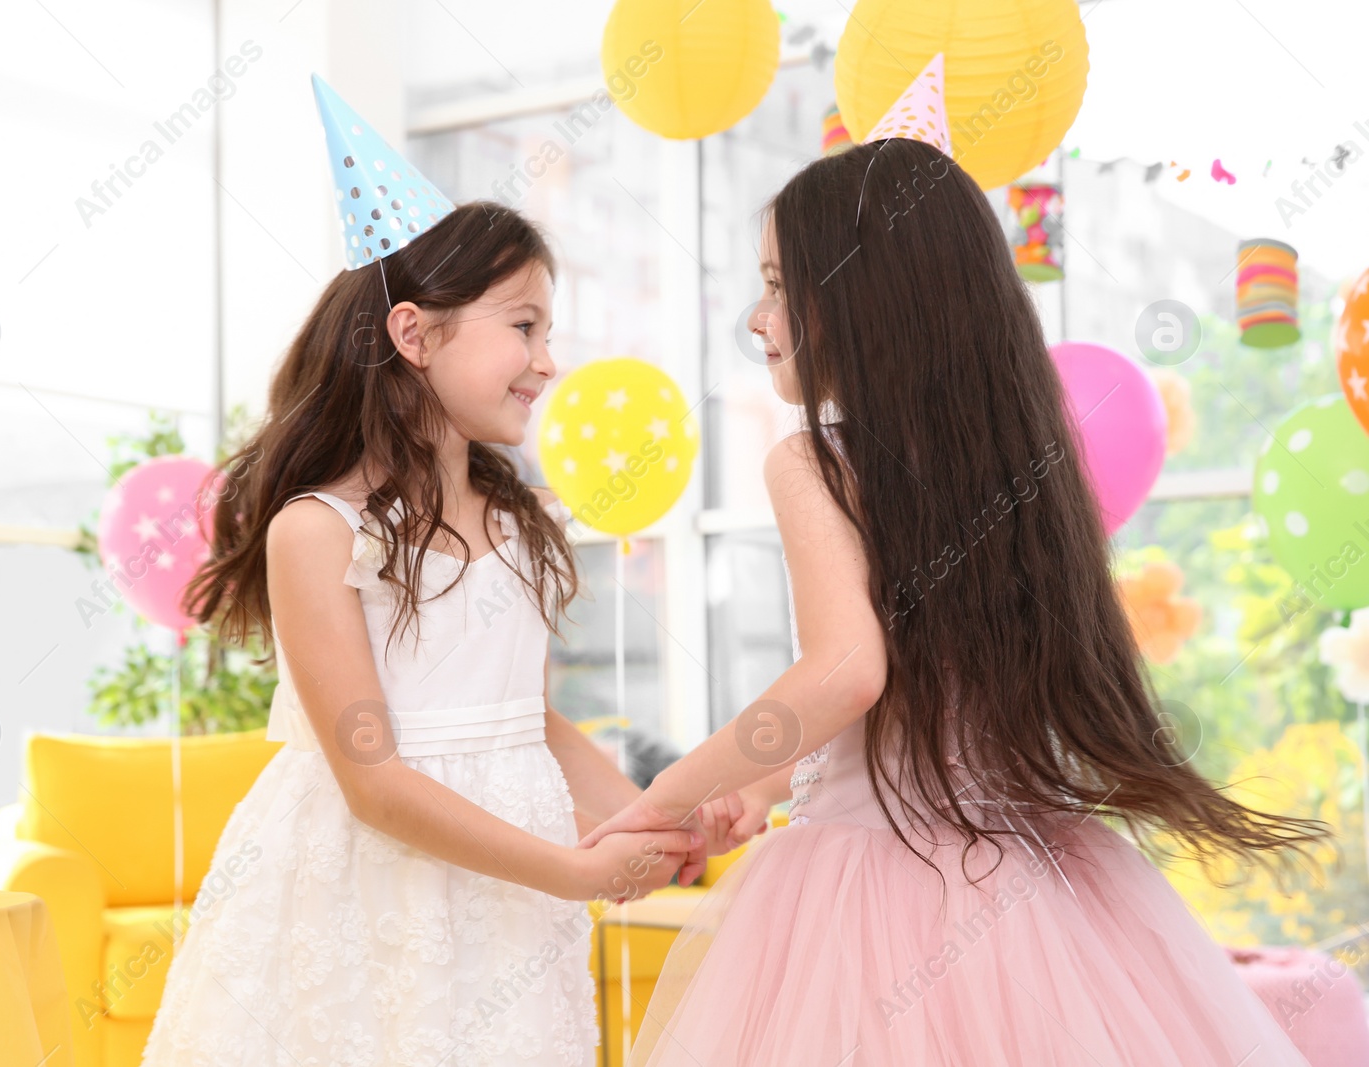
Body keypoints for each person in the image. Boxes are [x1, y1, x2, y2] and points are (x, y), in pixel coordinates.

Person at [581, 137, 1326, 1066]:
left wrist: (669, 791)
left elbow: (848, 670)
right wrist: (759, 783)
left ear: (860, 300)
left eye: (777, 285)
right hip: (1032, 879)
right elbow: (917, 691)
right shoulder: (1015, 475)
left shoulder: (815, 460)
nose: (756, 318)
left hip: (872, 893)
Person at [139, 77, 699, 1067]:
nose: (547, 359)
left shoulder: (518, 523)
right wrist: (573, 870)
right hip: (365, 888)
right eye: (523, 326)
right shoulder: (319, 530)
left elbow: (533, 721)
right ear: (413, 333)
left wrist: (652, 822)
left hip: (507, 896)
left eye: (547, 331)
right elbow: (375, 784)